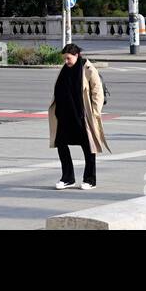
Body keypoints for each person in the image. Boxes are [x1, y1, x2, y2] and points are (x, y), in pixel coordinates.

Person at [48, 43, 108, 190]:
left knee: (88, 147)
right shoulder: (65, 69)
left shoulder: (87, 68)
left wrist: (95, 112)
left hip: (82, 116)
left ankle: (90, 179)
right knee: (60, 144)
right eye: (64, 59)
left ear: (76, 55)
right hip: (64, 115)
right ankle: (68, 178)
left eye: (68, 58)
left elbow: (97, 91)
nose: (66, 62)